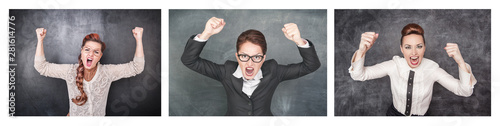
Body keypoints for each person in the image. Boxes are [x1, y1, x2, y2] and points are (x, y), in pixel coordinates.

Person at [181, 17, 321, 116]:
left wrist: (298, 40)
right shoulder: (226, 72)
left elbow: (311, 65)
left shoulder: (274, 71)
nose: (250, 63)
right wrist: (206, 34)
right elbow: (189, 60)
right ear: (237, 56)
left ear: (263, 58)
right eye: (244, 56)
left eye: (256, 57)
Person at [349, 23, 477, 116]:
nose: (414, 52)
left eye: (419, 46)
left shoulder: (433, 69)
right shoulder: (394, 65)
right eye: (408, 47)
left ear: (425, 48)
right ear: (402, 49)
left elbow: (465, 91)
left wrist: (460, 61)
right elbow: (358, 75)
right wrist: (362, 51)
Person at [34, 27, 145, 116]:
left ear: (100, 56)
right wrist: (40, 40)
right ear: (81, 51)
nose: (91, 54)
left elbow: (136, 67)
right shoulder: (70, 71)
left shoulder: (108, 72)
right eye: (87, 50)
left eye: (96, 52)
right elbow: (42, 67)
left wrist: (139, 39)